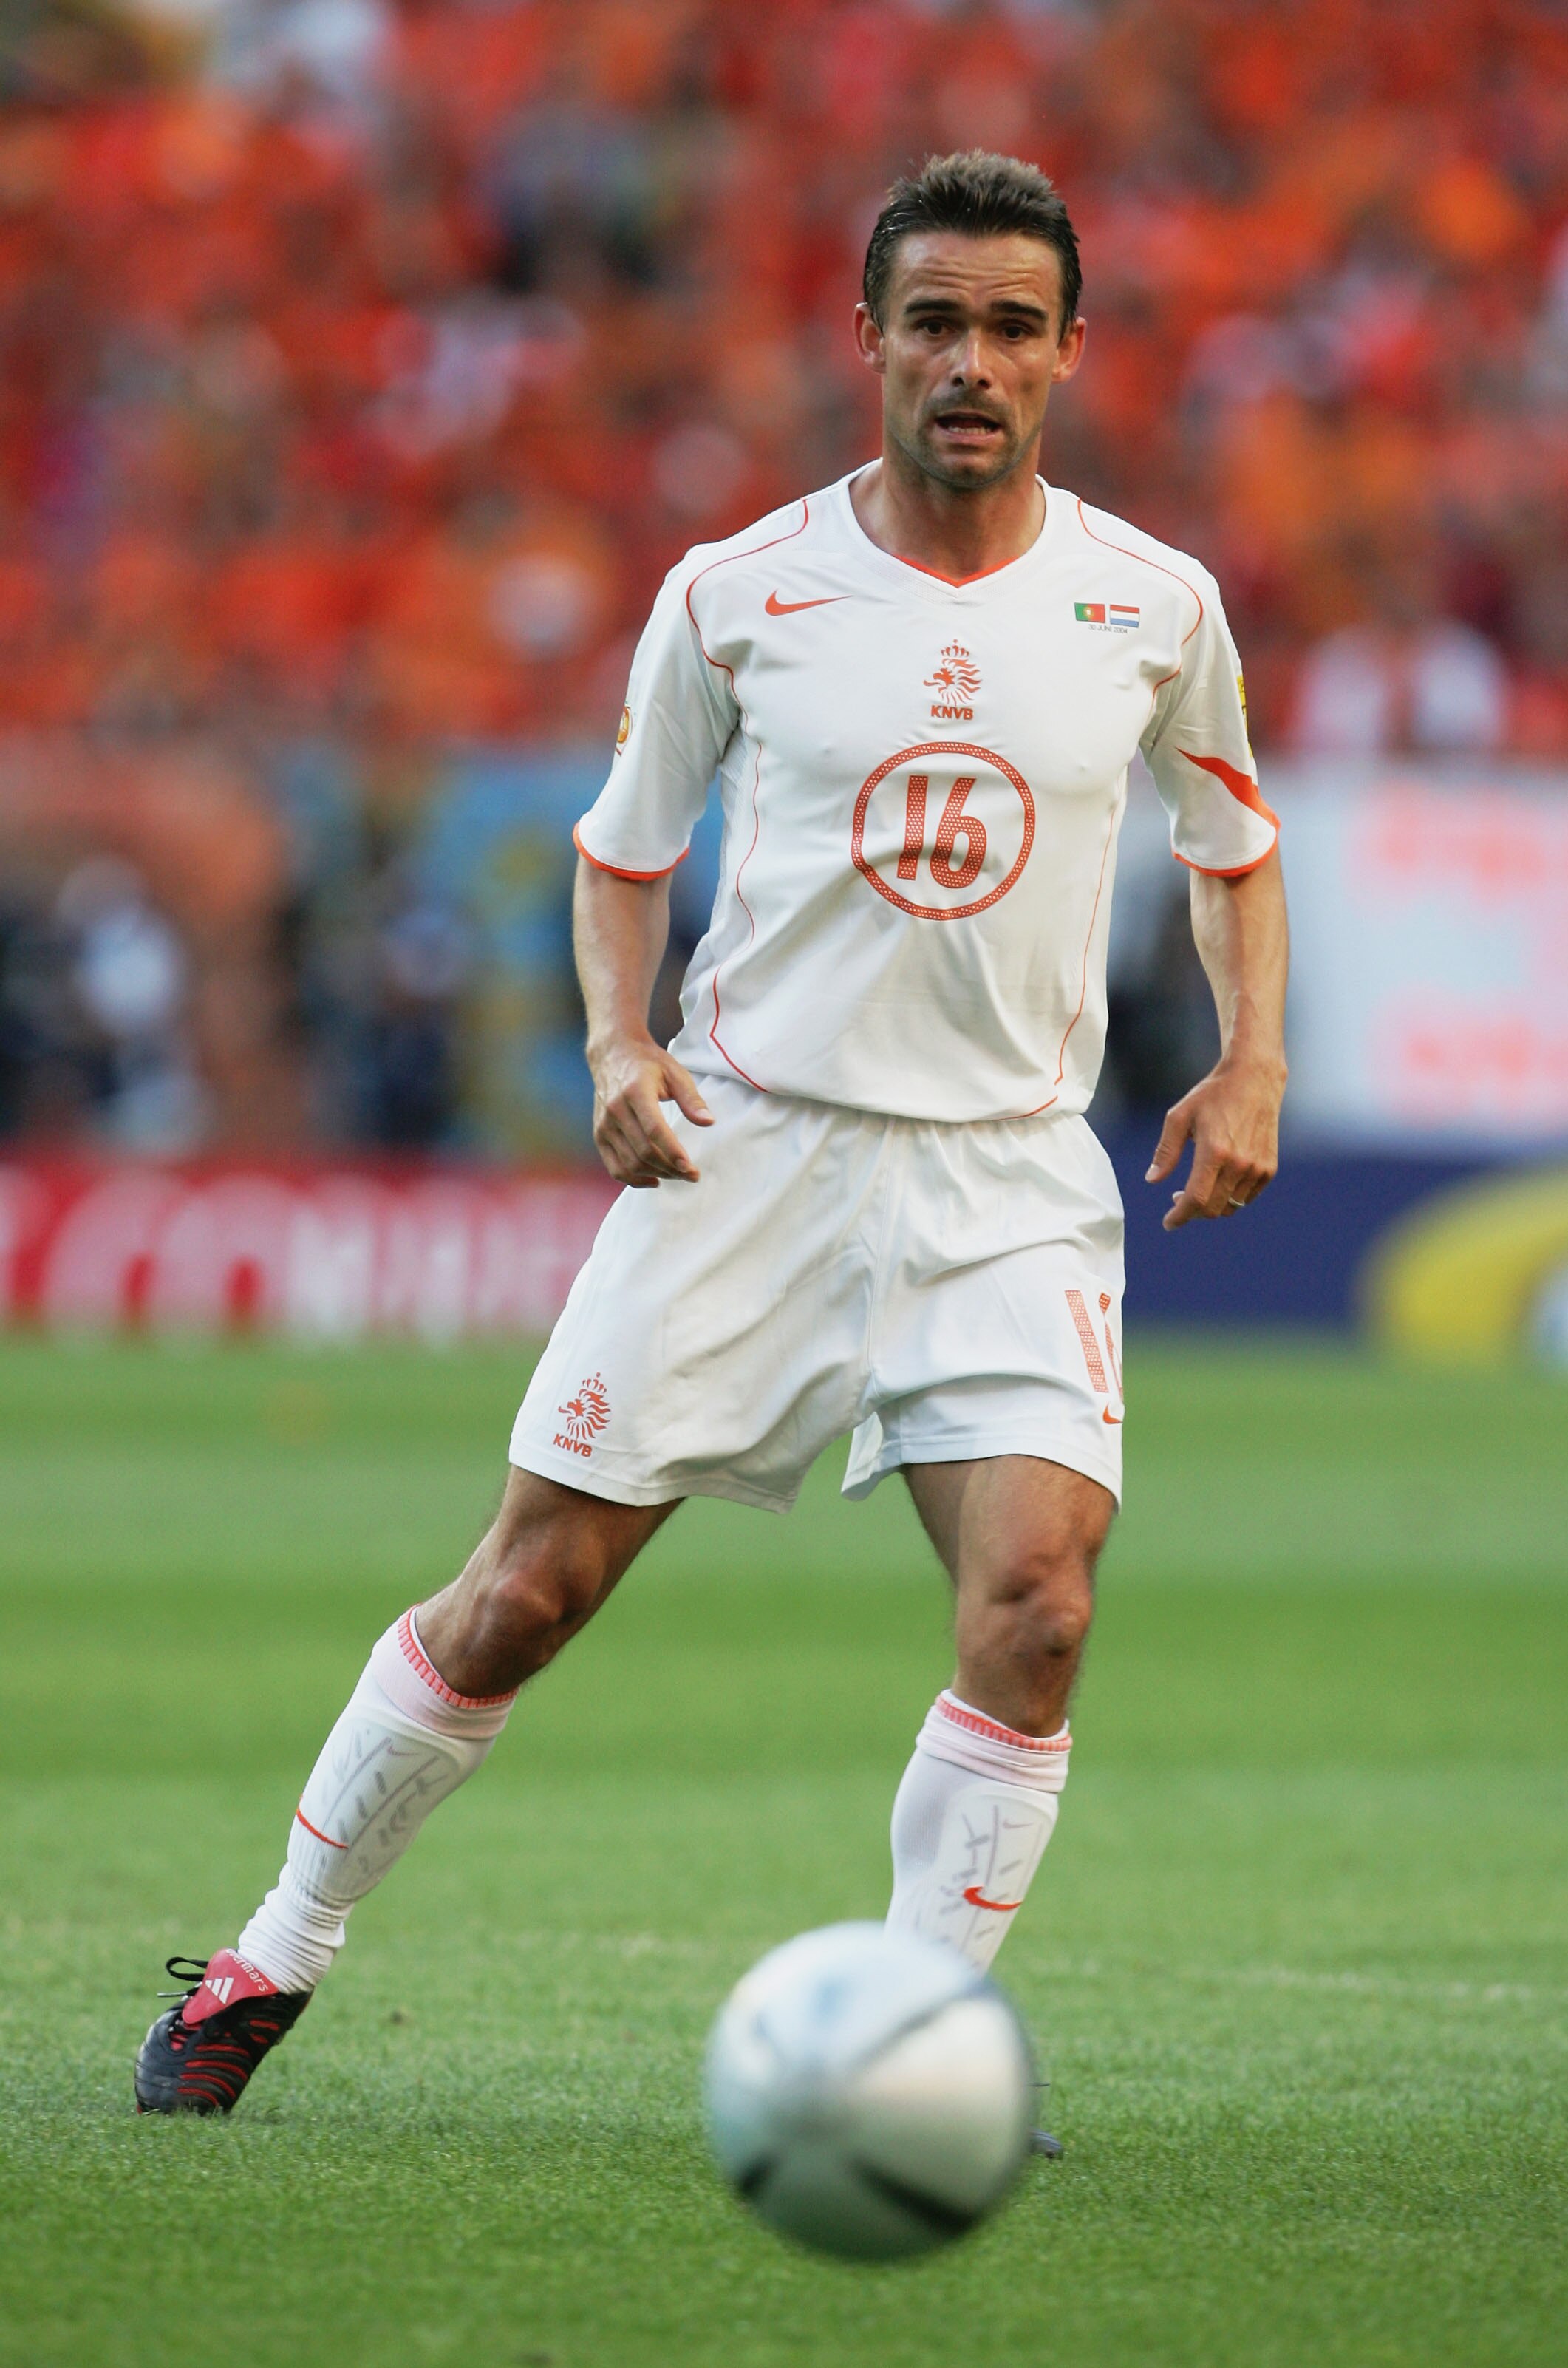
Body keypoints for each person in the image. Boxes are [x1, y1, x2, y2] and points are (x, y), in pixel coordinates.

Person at [135, 151, 1288, 2126]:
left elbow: (1233, 845)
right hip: (748, 1152)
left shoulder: (1153, 604)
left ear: (1069, 354)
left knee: (1038, 1603)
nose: (972, 362)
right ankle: (271, 1949)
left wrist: (1254, 1054)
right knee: (525, 1594)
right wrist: (615, 1040)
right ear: (870, 340)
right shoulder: (737, 592)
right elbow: (623, 853)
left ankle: (908, 2042)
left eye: (1012, 328)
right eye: (935, 322)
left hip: (1009, 1173)